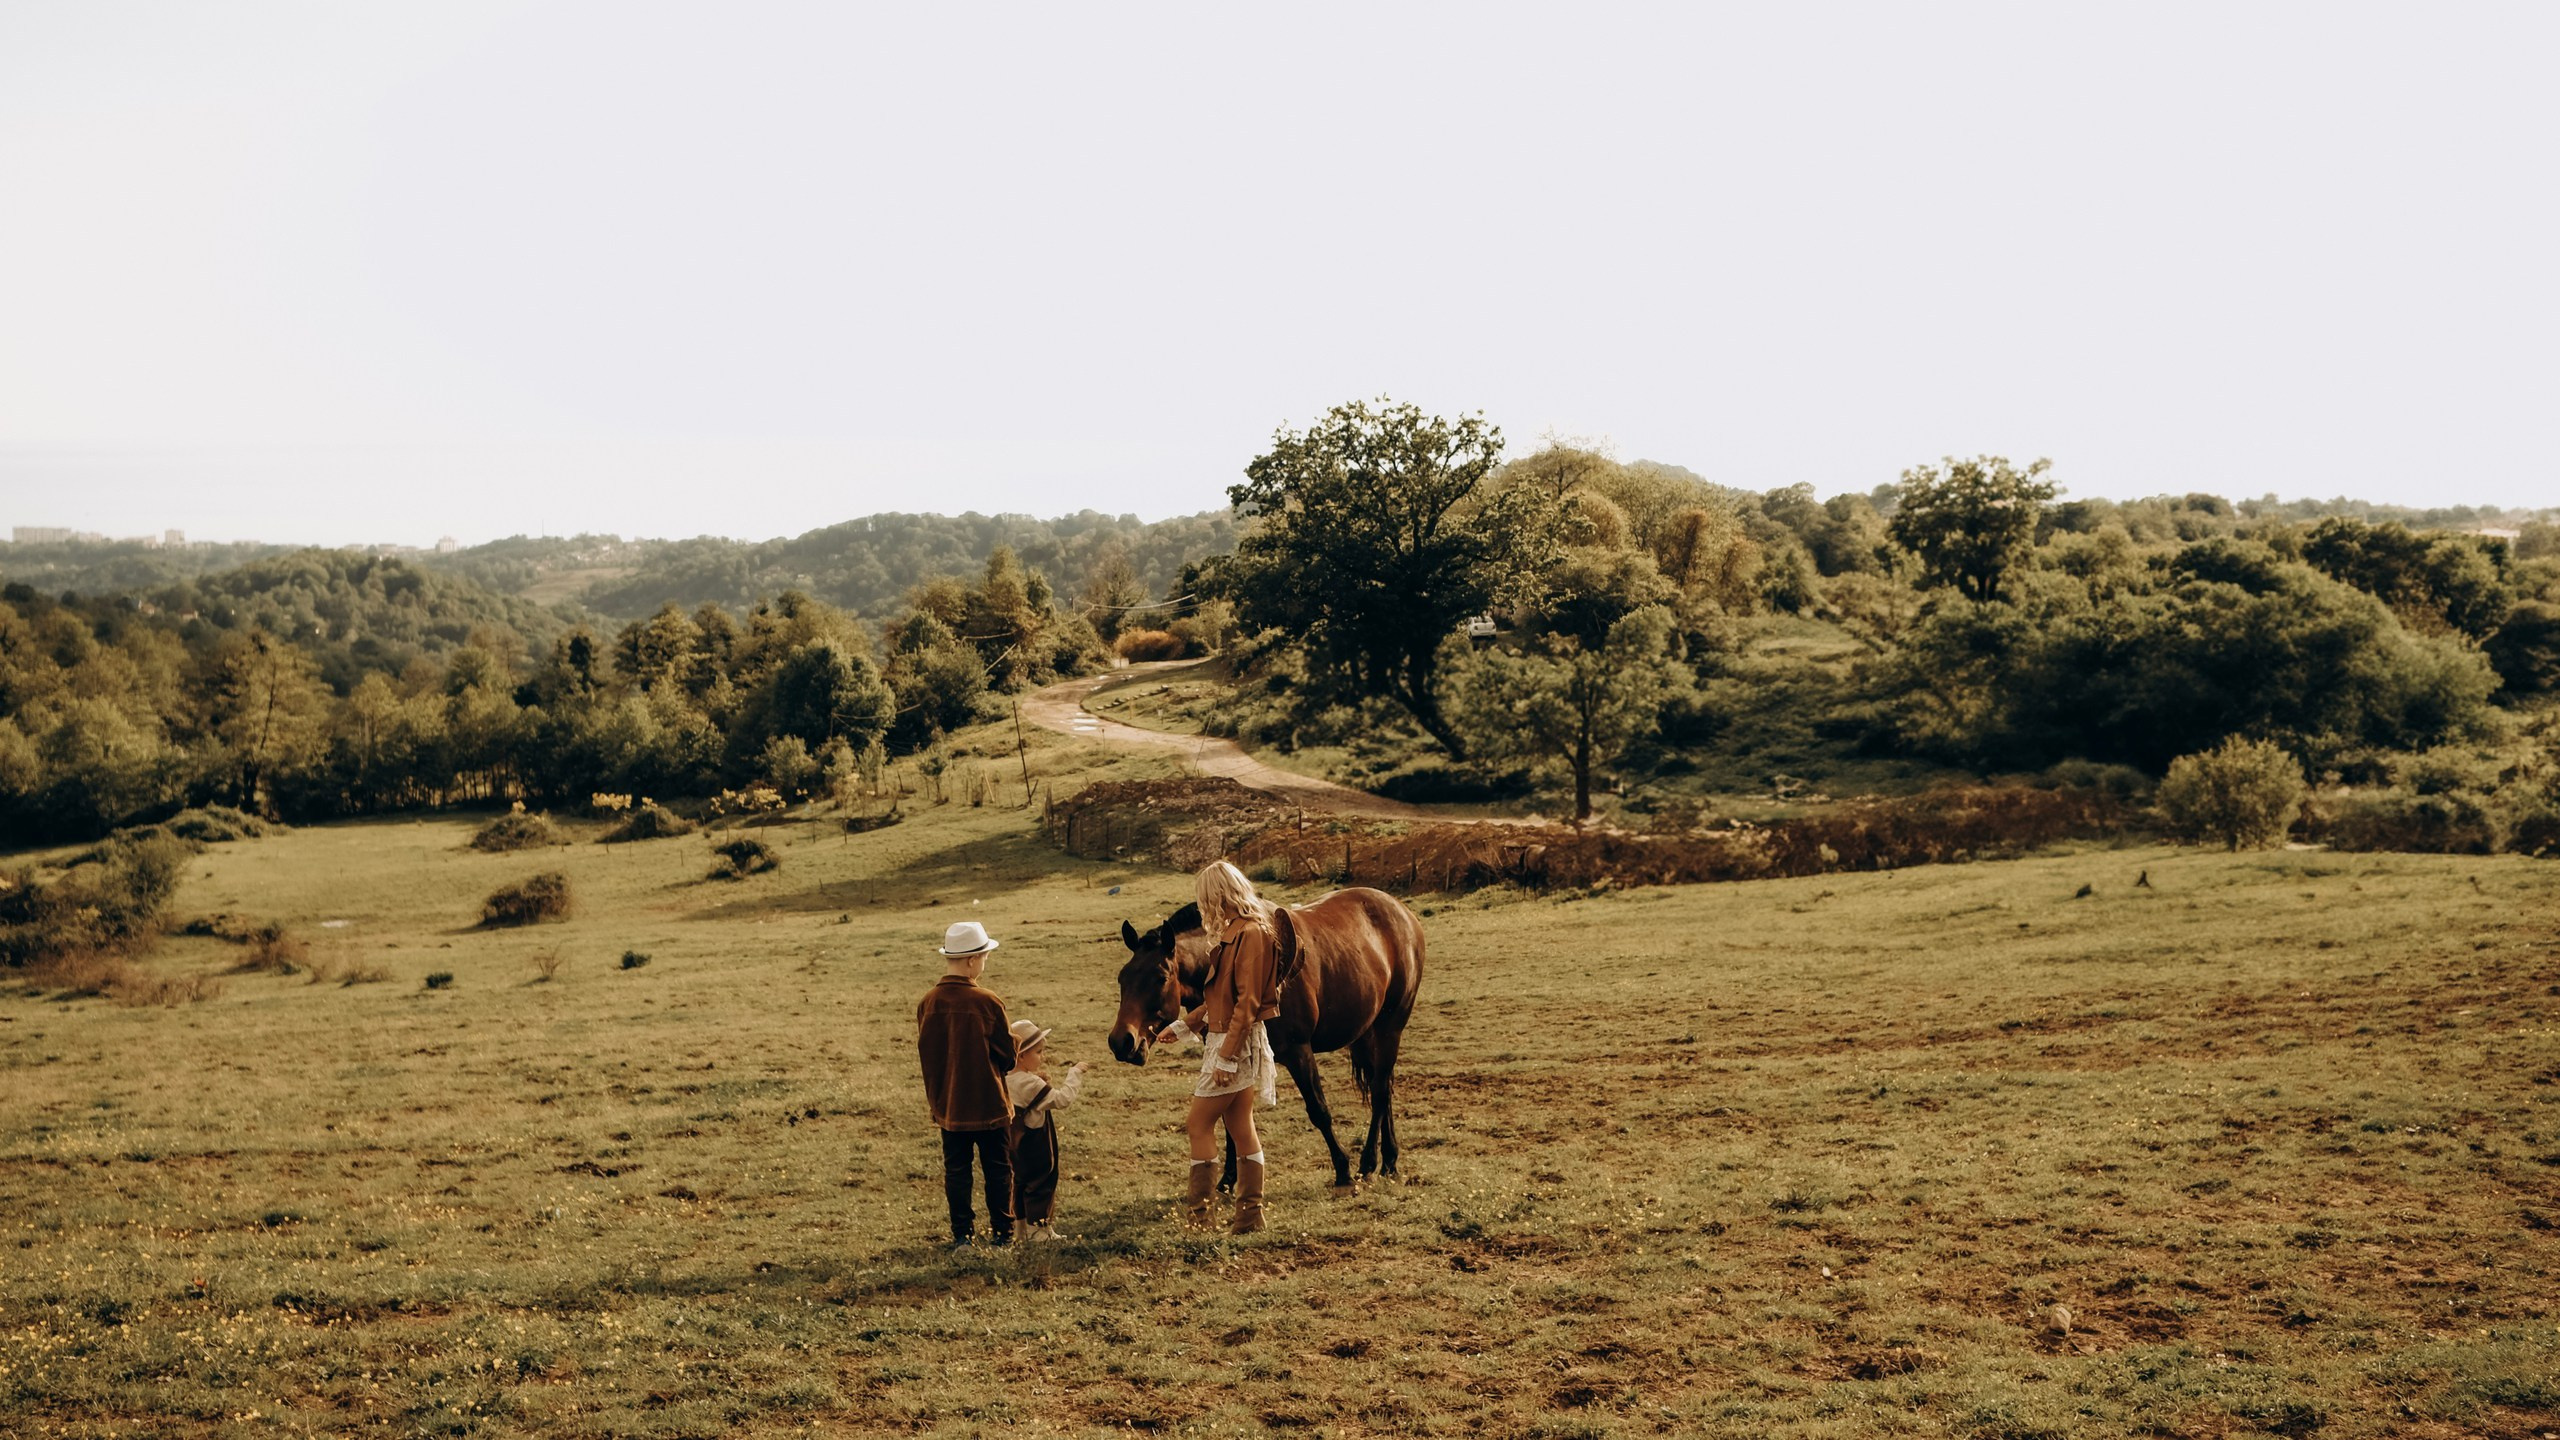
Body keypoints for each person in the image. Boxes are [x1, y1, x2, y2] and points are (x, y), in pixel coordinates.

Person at [1161, 859, 1282, 1233]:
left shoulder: (1252, 934)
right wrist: (1184, 1025)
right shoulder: (1235, 932)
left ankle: (1201, 1220)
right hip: (1226, 1037)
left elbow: (1246, 1005)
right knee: (1240, 1123)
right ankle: (1249, 1218)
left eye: (1204, 899)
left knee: (1198, 1123)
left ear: (1218, 896)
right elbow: (1220, 997)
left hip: (1234, 1042)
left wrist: (1227, 1057)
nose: (1201, 908)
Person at [916, 920, 1017, 1248]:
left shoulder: (928, 1003)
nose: (985, 962)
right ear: (973, 959)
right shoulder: (988, 1002)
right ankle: (1003, 1231)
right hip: (989, 1103)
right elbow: (1006, 1056)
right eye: (985, 955)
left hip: (949, 1105)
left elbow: (929, 1055)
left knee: (957, 1171)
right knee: (998, 1170)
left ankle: (962, 1235)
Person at [1002, 1020, 1086, 1238]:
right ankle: (1040, 1231)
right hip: (1036, 1144)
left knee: (1019, 1184)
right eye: (1038, 1052)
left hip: (1012, 1144)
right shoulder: (1032, 1084)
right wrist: (1074, 1074)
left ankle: (1020, 1229)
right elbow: (1062, 1099)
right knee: (1041, 1184)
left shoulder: (1004, 1079)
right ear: (1021, 1056)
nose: (1042, 1057)